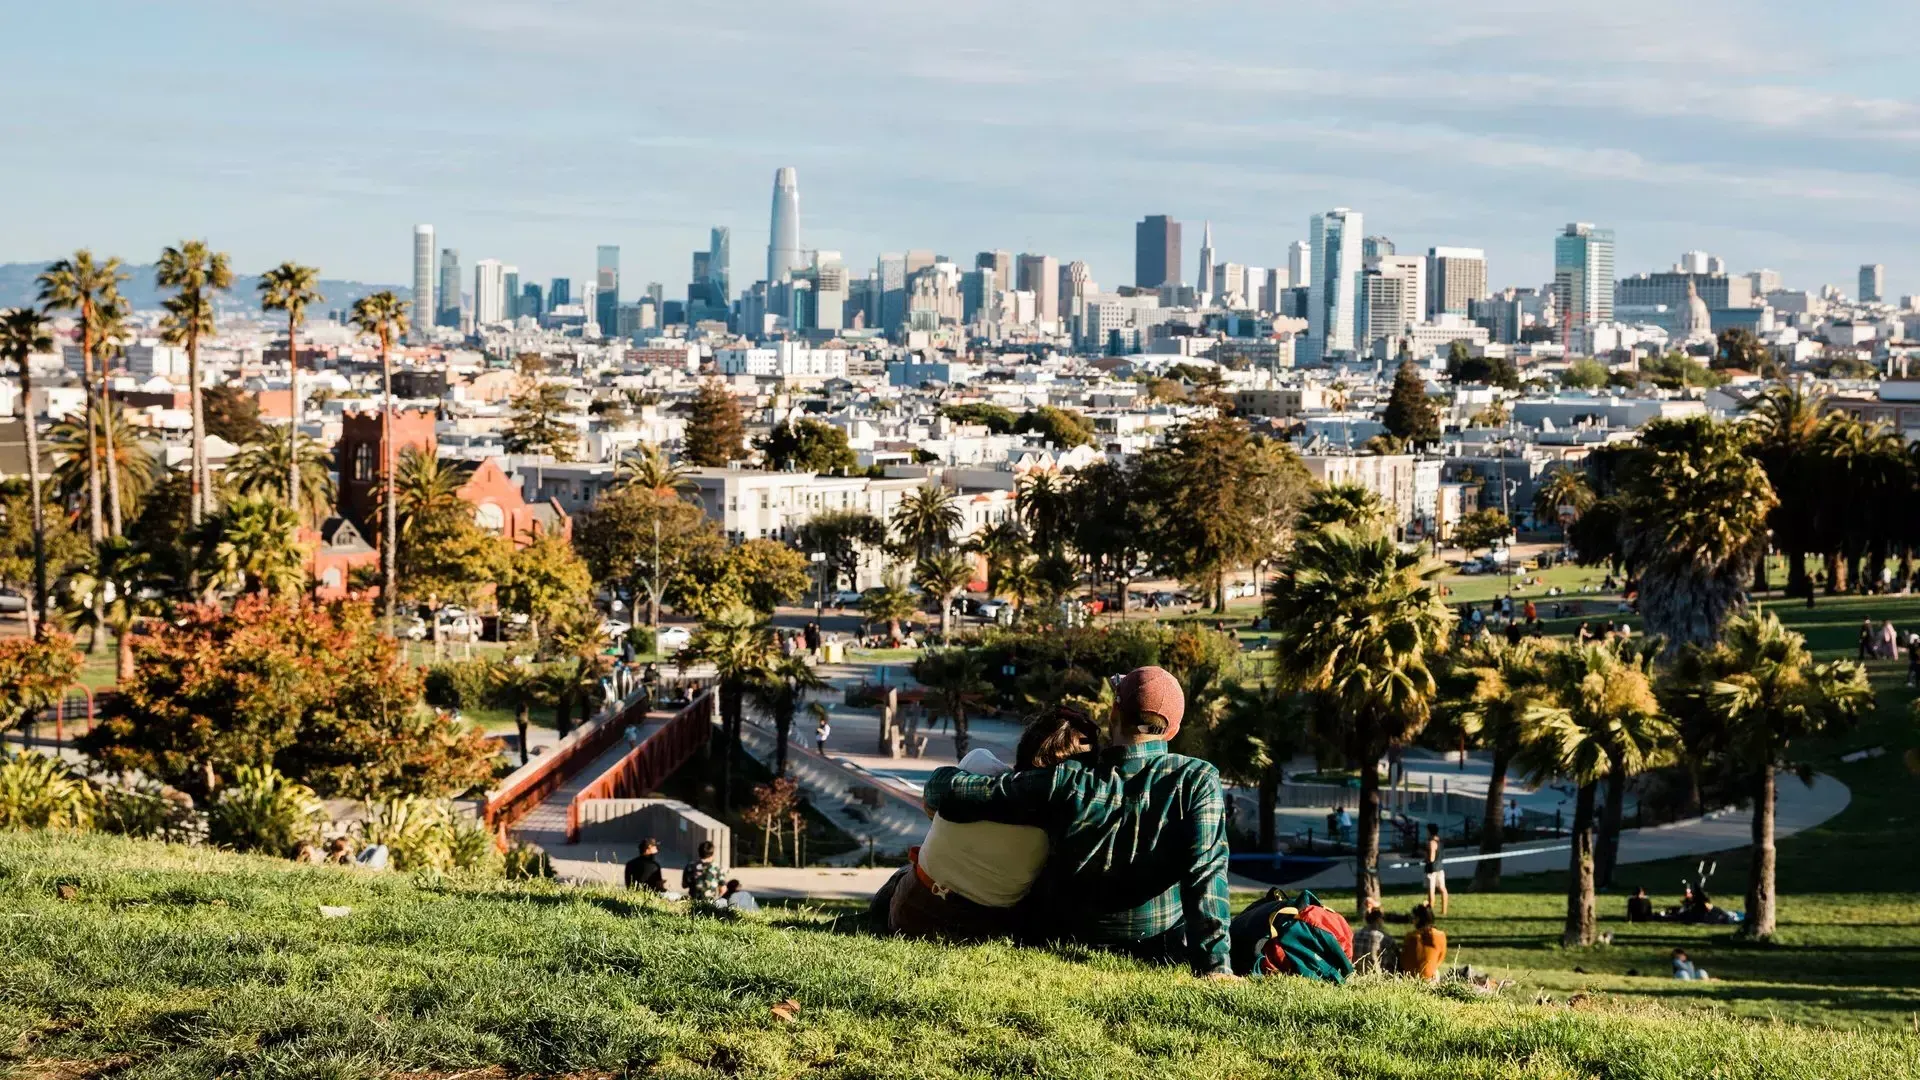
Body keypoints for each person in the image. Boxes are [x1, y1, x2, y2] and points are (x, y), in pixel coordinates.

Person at [921, 665, 1235, 978]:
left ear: (1114, 712)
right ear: (1172, 731)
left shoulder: (1068, 781)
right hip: (1157, 944)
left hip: (1065, 939)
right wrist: (1215, 967)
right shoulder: (1197, 779)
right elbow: (1206, 875)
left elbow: (945, 788)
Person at [883, 705, 1101, 940]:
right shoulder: (1066, 822)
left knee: (904, 874)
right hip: (982, 929)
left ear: (1026, 745)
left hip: (914, 911)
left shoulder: (979, 765)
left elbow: (932, 804)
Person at [1400, 903, 1447, 981]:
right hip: (1430, 978)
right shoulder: (1440, 935)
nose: (1412, 921)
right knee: (1436, 971)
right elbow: (1440, 959)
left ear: (1418, 919)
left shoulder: (1410, 936)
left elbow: (1403, 959)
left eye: (1413, 918)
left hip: (1409, 978)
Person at [1352, 906, 1399, 975]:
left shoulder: (1356, 935)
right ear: (1379, 920)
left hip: (1357, 974)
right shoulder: (1384, 938)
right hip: (1376, 976)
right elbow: (1396, 959)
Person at [682, 840, 724, 905]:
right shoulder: (717, 868)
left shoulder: (690, 866)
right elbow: (723, 889)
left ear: (699, 852)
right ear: (712, 853)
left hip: (693, 903)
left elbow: (684, 885)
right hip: (710, 904)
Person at [1423, 823, 1449, 916]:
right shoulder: (1440, 841)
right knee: (1443, 889)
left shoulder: (1431, 843)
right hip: (1440, 868)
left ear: (1429, 831)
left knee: (1431, 892)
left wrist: (1424, 858)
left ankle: (1429, 914)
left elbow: (1431, 858)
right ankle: (1444, 911)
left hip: (1431, 870)